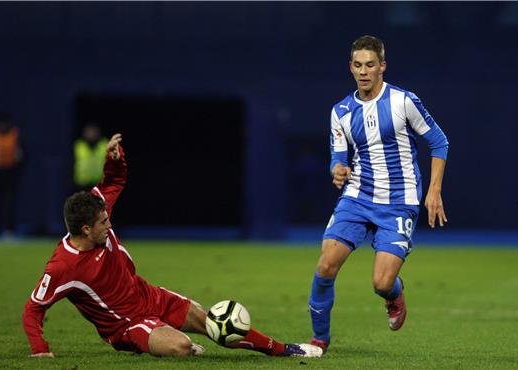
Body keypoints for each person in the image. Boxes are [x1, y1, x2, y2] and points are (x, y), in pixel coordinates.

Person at [23, 133, 322, 359]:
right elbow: (33, 309)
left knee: (213, 323)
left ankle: (283, 350)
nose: (109, 224)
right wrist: (40, 349)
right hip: (126, 325)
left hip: (147, 295)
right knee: (180, 346)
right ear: (85, 229)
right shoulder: (64, 265)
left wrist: (114, 160)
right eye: (103, 223)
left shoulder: (96, 209)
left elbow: (114, 182)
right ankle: (165, 340)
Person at [308, 35, 449, 352]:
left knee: (381, 283)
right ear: (351, 67)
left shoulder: (403, 101)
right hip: (357, 197)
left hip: (399, 203)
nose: (364, 71)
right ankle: (319, 341)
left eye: (370, 64)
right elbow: (338, 157)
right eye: (358, 65)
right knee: (325, 265)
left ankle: (395, 294)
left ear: (382, 66)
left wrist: (434, 191)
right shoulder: (341, 111)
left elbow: (439, 142)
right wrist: (337, 171)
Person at [0, 113, 24, 237]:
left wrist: (17, 171)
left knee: (9, 202)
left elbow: (21, 155)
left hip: (9, 172)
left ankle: (9, 230)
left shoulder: (15, 136)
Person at [73, 123, 108, 192]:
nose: (91, 134)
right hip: (81, 185)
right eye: (89, 132)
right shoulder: (78, 146)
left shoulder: (105, 145)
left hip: (100, 185)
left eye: (94, 131)